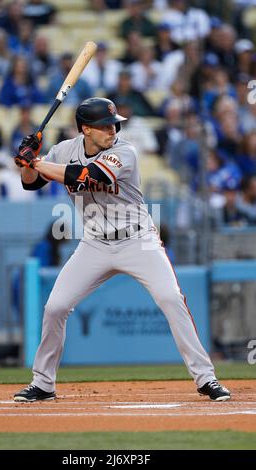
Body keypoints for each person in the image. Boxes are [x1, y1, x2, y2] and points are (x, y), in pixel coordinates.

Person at [13, 96, 231, 403]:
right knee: (55, 307)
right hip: (94, 243)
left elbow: (90, 176)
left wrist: (35, 161)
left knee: (171, 298)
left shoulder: (124, 151)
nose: (112, 130)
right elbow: (31, 183)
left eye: (114, 124)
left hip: (137, 240)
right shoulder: (63, 150)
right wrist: (25, 161)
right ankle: (43, 383)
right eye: (104, 126)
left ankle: (206, 378)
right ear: (86, 129)